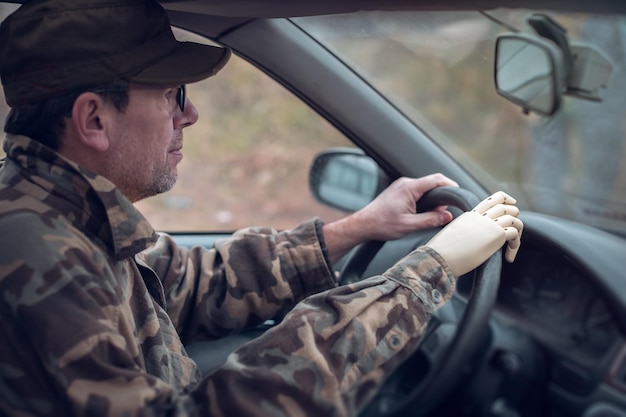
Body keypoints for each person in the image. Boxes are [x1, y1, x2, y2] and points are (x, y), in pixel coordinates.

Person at [0, 0, 523, 416]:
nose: (191, 115)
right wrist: (426, 275)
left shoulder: (62, 214)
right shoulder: (39, 252)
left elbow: (187, 283)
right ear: (94, 119)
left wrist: (359, 227)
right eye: (171, 95)